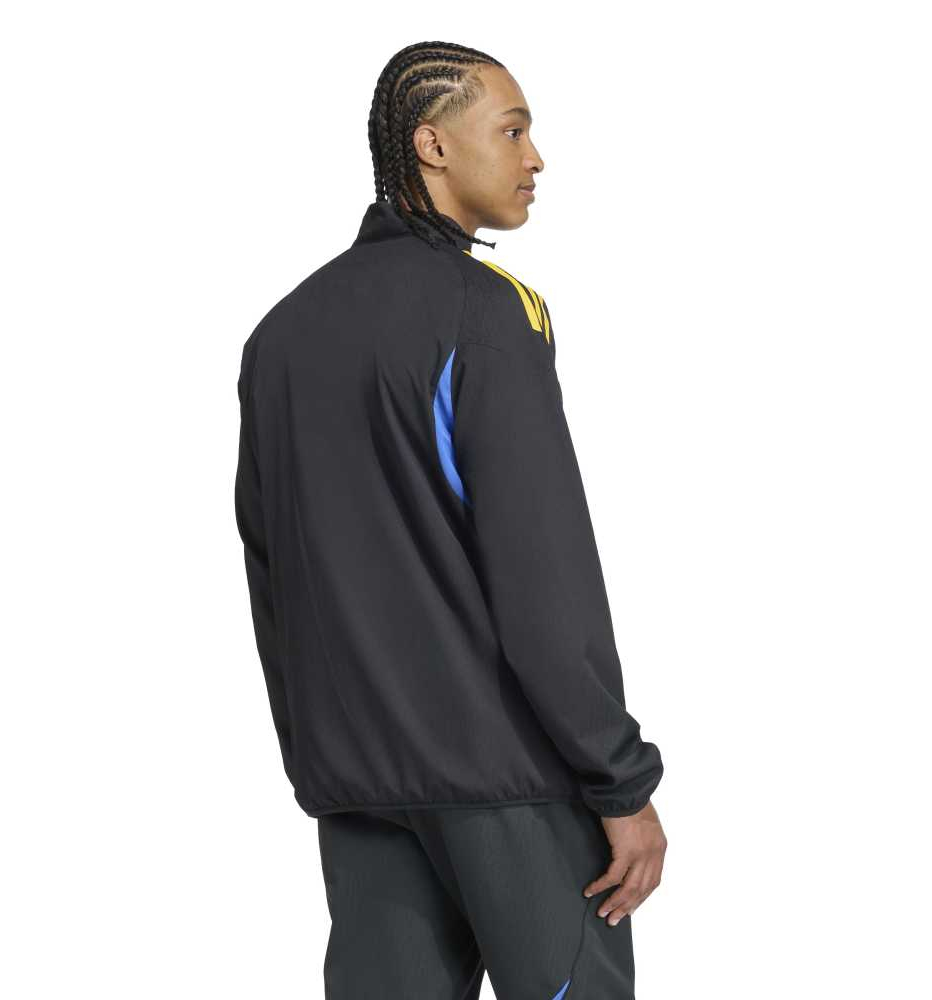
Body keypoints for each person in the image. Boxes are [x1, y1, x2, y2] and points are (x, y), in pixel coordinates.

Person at [234, 40, 668, 999]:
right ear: (432, 144)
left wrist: (321, 761)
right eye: (512, 131)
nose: (535, 157)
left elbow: (272, 574)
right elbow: (544, 576)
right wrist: (620, 782)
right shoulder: (490, 313)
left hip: (359, 788)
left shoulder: (279, 335)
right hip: (511, 786)